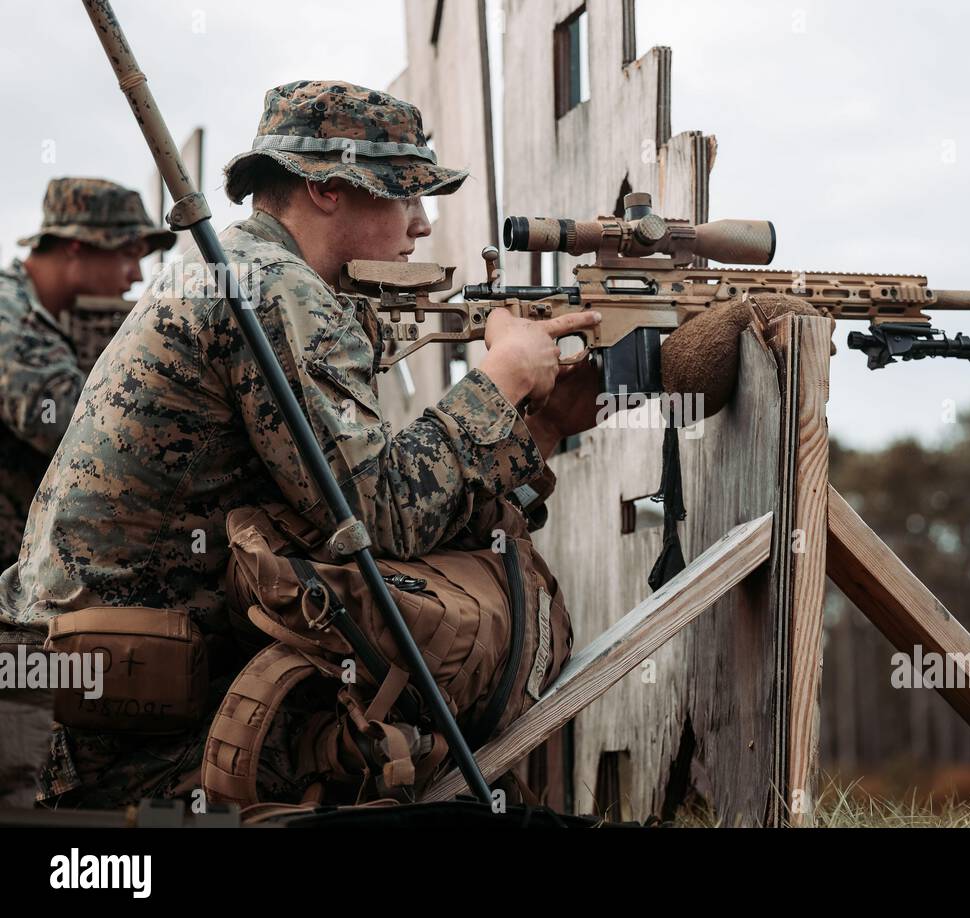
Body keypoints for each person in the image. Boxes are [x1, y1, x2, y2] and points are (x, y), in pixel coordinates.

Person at [0, 80, 602, 807]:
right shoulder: (272, 288)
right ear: (324, 187)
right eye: (405, 195)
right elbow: (379, 520)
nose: (421, 224)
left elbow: (358, 498)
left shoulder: (240, 269)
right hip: (118, 734)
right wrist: (500, 381)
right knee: (405, 736)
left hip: (91, 689)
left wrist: (536, 428)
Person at [0, 177, 174, 569]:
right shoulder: (11, 317)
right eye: (129, 254)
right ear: (76, 246)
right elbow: (75, 432)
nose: (137, 276)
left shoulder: (44, 314)